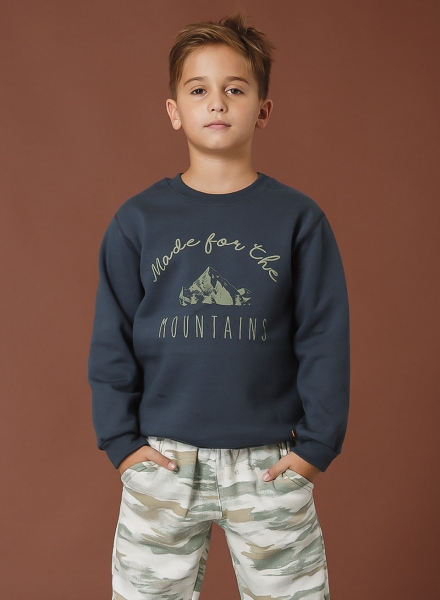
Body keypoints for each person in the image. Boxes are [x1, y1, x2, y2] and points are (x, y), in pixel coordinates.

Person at [88, 7, 350, 600]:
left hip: (269, 462)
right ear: (173, 111)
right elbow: (111, 340)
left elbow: (324, 337)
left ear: (263, 109)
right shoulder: (137, 221)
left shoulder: (298, 220)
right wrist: (122, 445)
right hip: (163, 464)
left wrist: (317, 447)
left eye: (235, 89)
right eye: (199, 90)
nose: (217, 103)